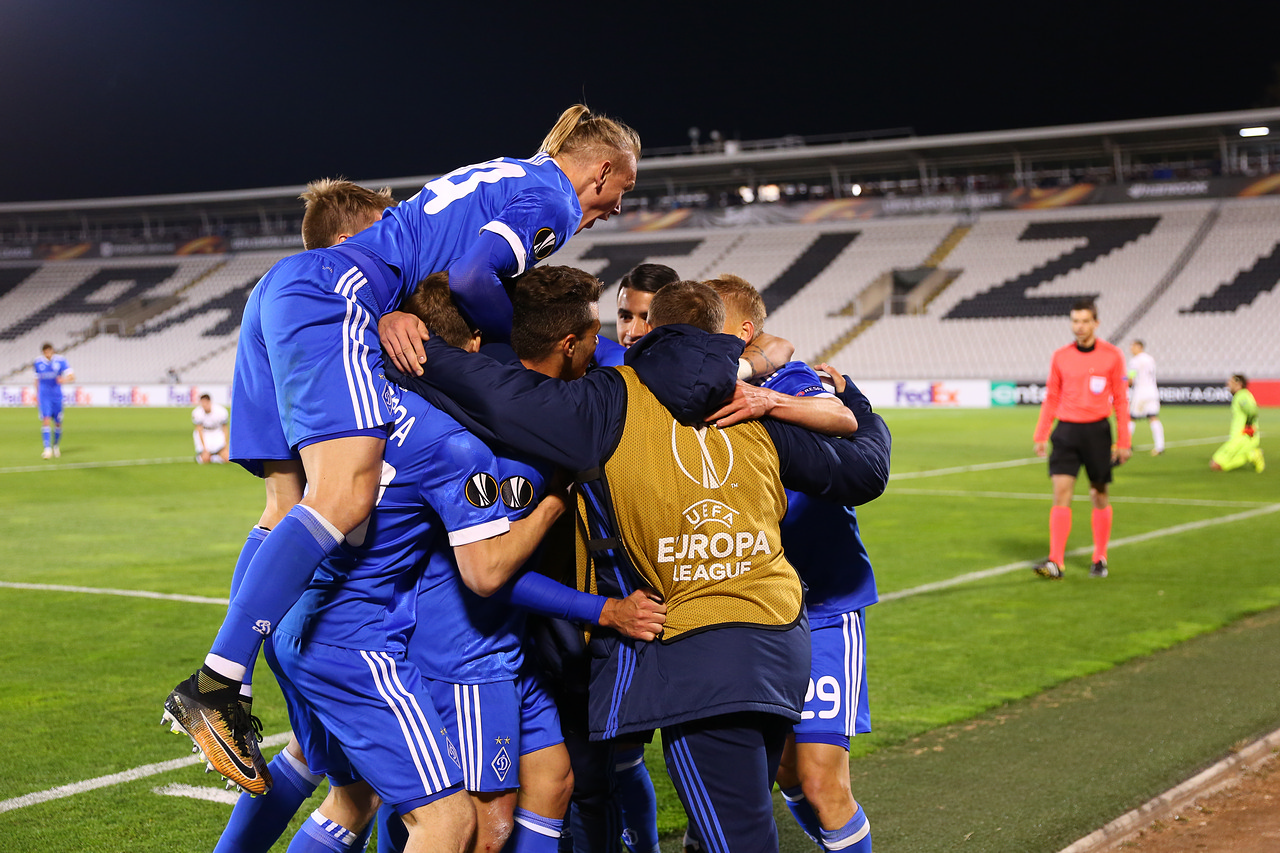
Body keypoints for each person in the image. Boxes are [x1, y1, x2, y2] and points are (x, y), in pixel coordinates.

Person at [164, 105, 641, 795]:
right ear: (602, 169)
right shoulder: (554, 199)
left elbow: (426, 249)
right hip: (337, 295)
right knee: (345, 495)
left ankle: (230, 679)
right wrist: (517, 346)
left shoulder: (510, 170)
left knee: (288, 501)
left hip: (287, 289)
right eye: (623, 189)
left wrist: (392, 304)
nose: (618, 206)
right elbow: (478, 278)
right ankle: (215, 684)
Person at [391, 277, 892, 853]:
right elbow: (864, 471)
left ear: (652, 330)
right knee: (730, 813)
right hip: (780, 638)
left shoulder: (605, 402)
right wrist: (855, 403)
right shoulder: (752, 407)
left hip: (698, 653)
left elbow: (500, 391)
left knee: (732, 832)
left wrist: (407, 343)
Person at [377, 268, 667, 853]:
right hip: (467, 650)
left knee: (555, 780)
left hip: (512, 650)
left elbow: (621, 356)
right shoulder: (505, 449)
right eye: (594, 334)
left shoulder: (521, 389)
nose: (604, 344)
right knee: (482, 826)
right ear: (570, 342)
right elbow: (490, 574)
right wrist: (602, 604)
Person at [705, 275, 875, 853]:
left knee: (823, 781)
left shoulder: (790, 379)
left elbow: (837, 414)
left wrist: (770, 397)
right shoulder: (709, 385)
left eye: (714, 324)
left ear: (746, 333)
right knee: (784, 772)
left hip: (824, 603)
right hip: (763, 613)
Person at [1032, 298, 1131, 580]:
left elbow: (1121, 401)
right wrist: (1041, 433)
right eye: (1075, 321)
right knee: (1061, 493)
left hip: (1097, 431)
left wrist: (1123, 441)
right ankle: (1056, 562)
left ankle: (1100, 557)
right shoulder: (1060, 356)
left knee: (1098, 494)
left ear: (1096, 323)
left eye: (1085, 321)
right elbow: (1051, 396)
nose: (1079, 326)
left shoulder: (1112, 356)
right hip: (1066, 432)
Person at [1210, 374, 1264, 473]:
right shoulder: (1244, 395)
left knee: (1216, 465)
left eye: (1230, 383)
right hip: (1242, 437)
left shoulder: (1241, 396)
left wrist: (1248, 426)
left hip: (1241, 437)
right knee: (1217, 465)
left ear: (1238, 384)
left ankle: (1253, 455)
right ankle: (1252, 455)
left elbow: (1252, 411)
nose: (1228, 385)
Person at [34, 342, 73, 459]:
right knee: (45, 420)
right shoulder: (37, 362)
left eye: (49, 351)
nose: (47, 354)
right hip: (44, 396)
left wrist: (64, 380)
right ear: (43, 353)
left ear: (53, 351)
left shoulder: (61, 361)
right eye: (45, 352)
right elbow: (36, 380)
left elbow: (72, 377)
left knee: (57, 422)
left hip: (57, 396)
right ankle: (47, 449)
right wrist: (37, 395)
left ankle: (55, 445)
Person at [1127, 340, 1164, 456]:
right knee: (1153, 417)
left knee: (1131, 418)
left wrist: (1121, 379)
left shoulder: (1135, 361)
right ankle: (1160, 446)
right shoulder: (1150, 359)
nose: (1131, 349)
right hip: (1153, 390)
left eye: (1132, 346)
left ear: (1139, 347)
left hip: (1141, 391)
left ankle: (1125, 444)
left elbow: (1130, 380)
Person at [193, 393, 231, 464]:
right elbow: (199, 430)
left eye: (206, 403)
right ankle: (204, 456)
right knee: (205, 459)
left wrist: (226, 445)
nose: (204, 405)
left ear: (209, 402)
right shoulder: (197, 413)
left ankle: (216, 456)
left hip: (217, 433)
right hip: (205, 434)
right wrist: (204, 449)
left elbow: (225, 428)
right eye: (202, 403)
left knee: (227, 459)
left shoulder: (221, 411)